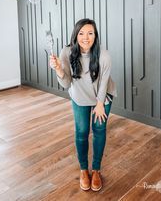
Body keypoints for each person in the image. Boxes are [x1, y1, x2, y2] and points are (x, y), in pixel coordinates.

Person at [49, 18, 117, 191]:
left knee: (99, 130)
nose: (86, 37)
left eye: (90, 33)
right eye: (81, 33)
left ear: (95, 35)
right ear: (75, 35)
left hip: (102, 97)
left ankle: (96, 170)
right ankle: (83, 170)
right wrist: (58, 69)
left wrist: (100, 103)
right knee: (81, 132)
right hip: (80, 97)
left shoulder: (104, 55)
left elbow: (103, 82)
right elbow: (66, 83)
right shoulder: (67, 52)